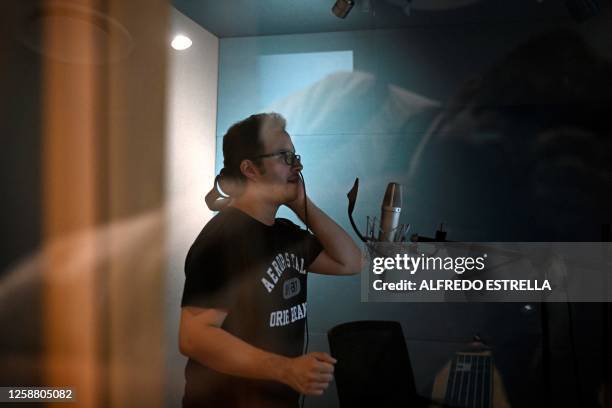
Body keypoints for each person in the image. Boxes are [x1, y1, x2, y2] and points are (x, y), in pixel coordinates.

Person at [178, 113, 362, 407]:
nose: (298, 166)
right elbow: (194, 337)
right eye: (284, 157)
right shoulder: (222, 239)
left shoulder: (286, 234)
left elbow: (351, 263)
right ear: (250, 168)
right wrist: (286, 369)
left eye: (295, 156)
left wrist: (303, 206)